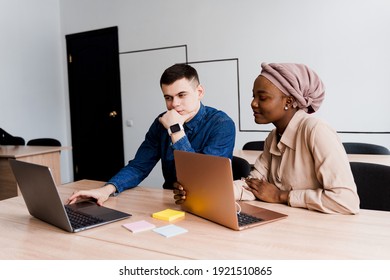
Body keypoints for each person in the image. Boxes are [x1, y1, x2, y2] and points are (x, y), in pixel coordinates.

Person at [174, 62, 360, 214]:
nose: (253, 103)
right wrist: (200, 192)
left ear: (288, 101)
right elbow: (253, 185)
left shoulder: (316, 131)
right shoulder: (273, 137)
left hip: (322, 236)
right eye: (253, 96)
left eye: (262, 98)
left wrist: (282, 196)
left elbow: (346, 201)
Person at [67, 63, 235, 205]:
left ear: (199, 92)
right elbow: (139, 166)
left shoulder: (222, 125)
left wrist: (176, 130)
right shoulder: (161, 123)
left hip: (209, 205)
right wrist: (106, 189)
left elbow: (202, 179)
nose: (174, 104)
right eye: (168, 97)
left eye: (181, 95)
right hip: (171, 203)